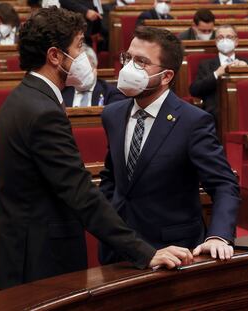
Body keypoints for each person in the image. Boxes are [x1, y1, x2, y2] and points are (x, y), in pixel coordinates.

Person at [0, 7, 192, 291]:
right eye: (79, 45)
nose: (84, 55)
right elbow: (80, 193)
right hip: (37, 261)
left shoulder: (25, 96)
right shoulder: (43, 110)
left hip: (20, 252)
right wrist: (145, 252)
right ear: (55, 56)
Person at [98, 26, 240, 264]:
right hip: (119, 251)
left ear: (166, 76)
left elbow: (224, 184)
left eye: (141, 62)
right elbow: (113, 177)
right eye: (128, 58)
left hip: (174, 252)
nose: (129, 67)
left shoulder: (193, 121)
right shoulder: (112, 114)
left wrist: (219, 236)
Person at [190, 25, 248, 123]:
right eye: (220, 37)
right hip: (216, 112)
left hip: (242, 107)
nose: (225, 40)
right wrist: (216, 74)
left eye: (229, 37)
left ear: (236, 42)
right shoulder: (206, 64)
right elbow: (194, 90)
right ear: (216, 42)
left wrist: (246, 70)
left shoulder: (247, 62)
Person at [62, 45, 126, 107]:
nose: (80, 73)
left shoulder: (110, 93)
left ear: (95, 68)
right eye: (77, 68)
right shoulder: (63, 93)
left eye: (84, 68)